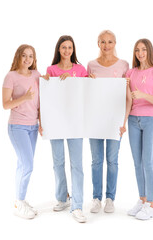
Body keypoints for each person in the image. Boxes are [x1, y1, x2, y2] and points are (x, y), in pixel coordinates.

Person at [42, 35, 88, 223]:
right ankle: (62, 198)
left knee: (77, 165)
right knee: (58, 162)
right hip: (56, 122)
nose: (67, 50)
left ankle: (77, 206)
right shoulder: (51, 70)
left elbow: (86, 92)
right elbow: (48, 98)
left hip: (76, 121)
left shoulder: (81, 69)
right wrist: (44, 82)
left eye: (70, 47)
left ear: (73, 50)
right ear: (58, 50)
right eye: (63, 47)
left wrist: (85, 80)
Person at [87, 30, 130, 213]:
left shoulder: (123, 65)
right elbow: (86, 93)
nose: (106, 45)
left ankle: (110, 198)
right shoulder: (91, 65)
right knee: (96, 160)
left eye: (110, 42)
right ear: (98, 43)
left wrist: (124, 122)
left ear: (115, 43)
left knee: (112, 160)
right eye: (103, 42)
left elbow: (127, 96)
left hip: (115, 120)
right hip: (95, 119)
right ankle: (96, 198)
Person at [126, 39, 153, 220]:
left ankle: (151, 204)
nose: (140, 53)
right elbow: (127, 99)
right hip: (133, 120)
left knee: (148, 161)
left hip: (150, 120)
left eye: (143, 50)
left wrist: (142, 94)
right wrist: (124, 120)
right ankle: (142, 200)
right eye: (137, 50)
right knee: (137, 163)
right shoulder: (130, 72)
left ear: (149, 51)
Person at [2, 44, 41, 219]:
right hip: (17, 126)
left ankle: (20, 201)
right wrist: (24, 97)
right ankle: (19, 202)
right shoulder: (10, 76)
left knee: (22, 165)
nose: (27, 59)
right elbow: (5, 104)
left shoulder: (36, 75)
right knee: (28, 165)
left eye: (30, 56)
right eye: (24, 56)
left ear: (34, 59)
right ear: (18, 56)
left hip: (32, 126)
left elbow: (40, 101)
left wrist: (41, 121)